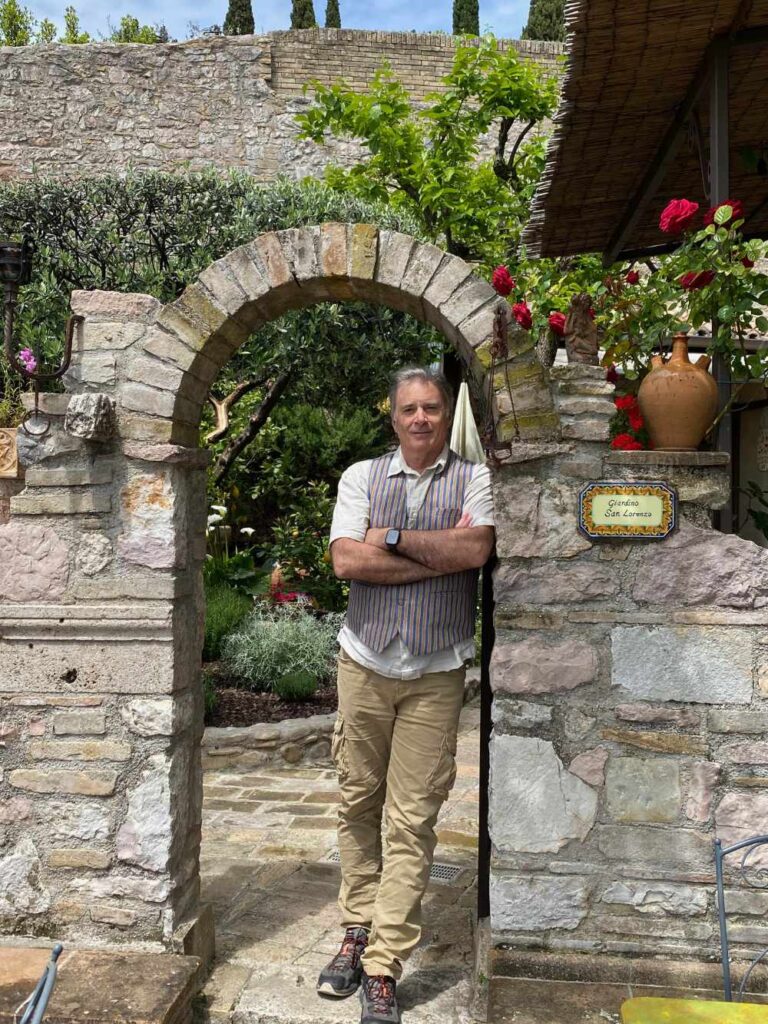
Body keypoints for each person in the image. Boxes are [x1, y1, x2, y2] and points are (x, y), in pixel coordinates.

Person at [317, 366, 495, 1024]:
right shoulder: (362, 477)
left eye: (432, 408)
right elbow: (345, 562)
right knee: (357, 801)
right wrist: (432, 554)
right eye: (409, 408)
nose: (421, 418)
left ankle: (384, 961)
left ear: (445, 415)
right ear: (391, 417)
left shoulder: (473, 479)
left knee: (412, 818)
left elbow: (474, 549)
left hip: (435, 669)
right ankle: (356, 928)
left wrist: (388, 540)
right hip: (363, 662)